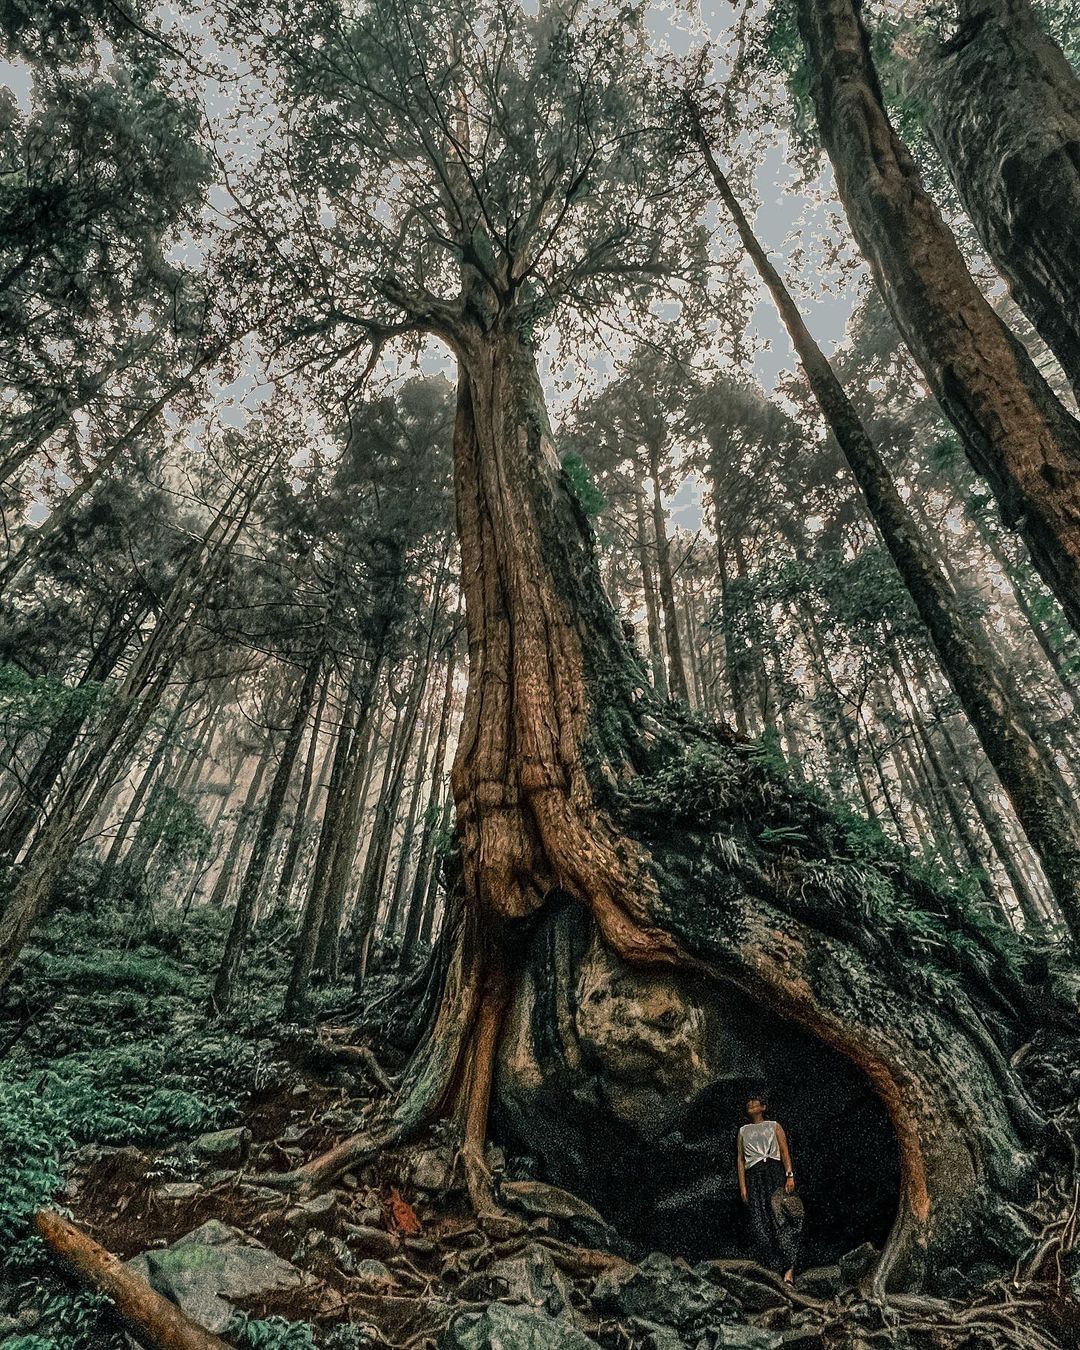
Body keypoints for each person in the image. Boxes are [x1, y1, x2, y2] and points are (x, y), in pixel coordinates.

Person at [737, 1093, 803, 1283]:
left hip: (773, 1172)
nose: (751, 1102)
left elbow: (784, 1151)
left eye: (755, 1101)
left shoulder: (774, 1126)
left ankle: (789, 1271)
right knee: (760, 1220)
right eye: (748, 1102)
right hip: (754, 1176)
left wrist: (789, 1175)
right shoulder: (743, 1131)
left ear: (764, 1106)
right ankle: (773, 1268)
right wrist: (743, 1187)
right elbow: (741, 1161)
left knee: (780, 1218)